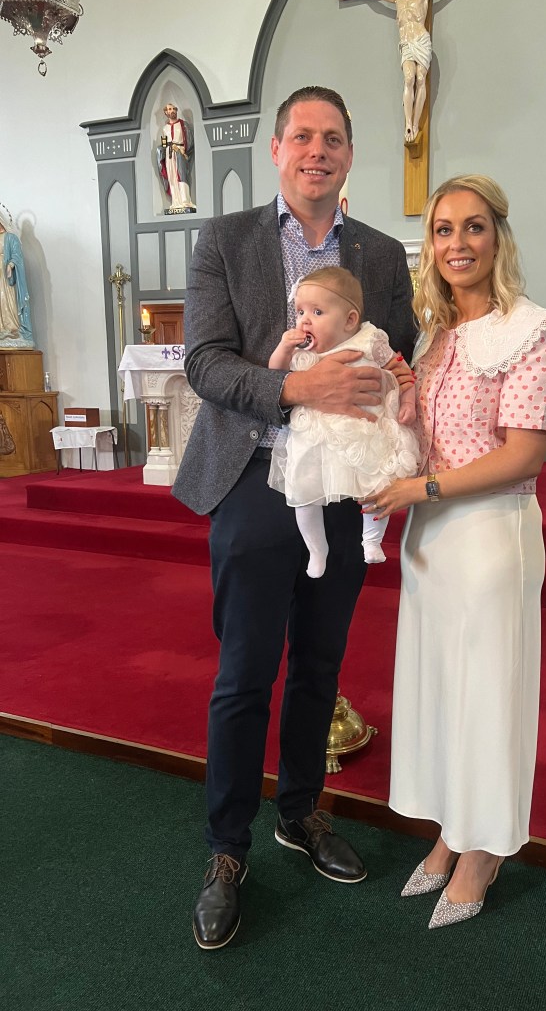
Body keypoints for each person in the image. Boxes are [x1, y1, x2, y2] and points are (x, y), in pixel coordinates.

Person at [171, 85, 415, 950]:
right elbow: (204, 361)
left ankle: (301, 811)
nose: (318, 151)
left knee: (319, 663)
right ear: (276, 149)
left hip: (344, 484)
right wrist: (294, 386)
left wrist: (396, 391)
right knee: (244, 672)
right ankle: (226, 850)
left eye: (334, 138)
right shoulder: (225, 238)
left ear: (350, 154)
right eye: (303, 136)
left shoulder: (382, 254)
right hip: (253, 477)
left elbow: (403, 350)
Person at [363, 174, 546, 928]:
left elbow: (522, 455)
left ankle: (484, 850)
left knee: (488, 694)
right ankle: (453, 827)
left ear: (498, 237)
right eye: (443, 229)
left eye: (473, 227)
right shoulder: (436, 336)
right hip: (432, 541)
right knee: (444, 688)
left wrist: (419, 489)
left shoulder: (537, 329)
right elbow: (424, 436)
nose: (458, 243)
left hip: (489, 535)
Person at [268, 266, 418, 576]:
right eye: (300, 311)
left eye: (317, 312)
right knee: (303, 494)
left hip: (364, 432)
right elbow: (275, 376)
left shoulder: (369, 340)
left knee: (376, 486)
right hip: (314, 436)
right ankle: (316, 549)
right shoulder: (301, 350)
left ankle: (371, 540)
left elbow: (402, 370)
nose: (304, 320)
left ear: (350, 320)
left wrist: (408, 401)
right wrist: (283, 348)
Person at [360, 0, 448, 143]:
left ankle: (415, 124)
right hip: (406, 43)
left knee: (420, 78)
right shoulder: (397, 0)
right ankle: (408, 123)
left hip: (421, 41)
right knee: (409, 78)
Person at [0, 212, 33, 348]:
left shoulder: (11, 238)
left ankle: (11, 328)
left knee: (7, 301)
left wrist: (11, 264)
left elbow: (17, 255)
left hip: (6, 276)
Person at [156, 103, 196, 212]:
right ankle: (176, 202)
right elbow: (164, 143)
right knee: (172, 177)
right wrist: (163, 148)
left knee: (182, 175)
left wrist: (184, 150)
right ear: (166, 112)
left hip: (180, 152)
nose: (172, 111)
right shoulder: (165, 128)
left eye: (174, 109)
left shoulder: (183, 125)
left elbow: (189, 140)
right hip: (169, 154)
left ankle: (185, 201)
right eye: (169, 109)